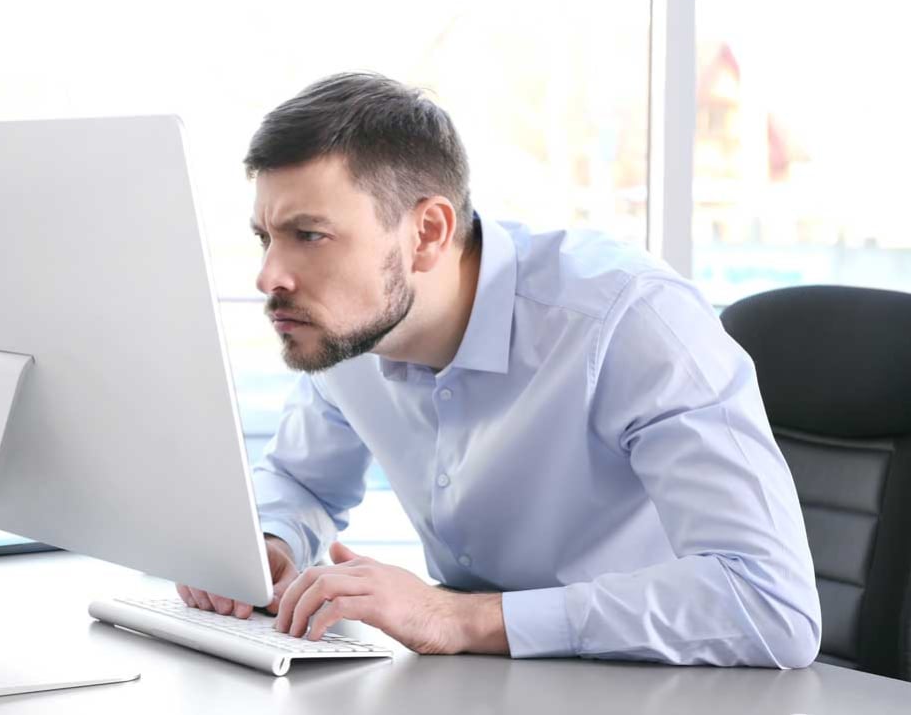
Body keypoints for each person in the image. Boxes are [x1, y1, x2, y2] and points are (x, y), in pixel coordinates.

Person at [176, 72, 822, 666]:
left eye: (309, 236)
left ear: (427, 232)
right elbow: (303, 482)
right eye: (266, 237)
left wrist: (461, 618)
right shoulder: (351, 333)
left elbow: (770, 603)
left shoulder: (629, 322)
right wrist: (270, 544)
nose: (269, 277)